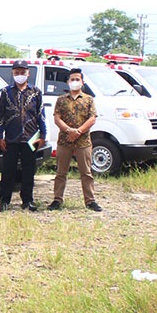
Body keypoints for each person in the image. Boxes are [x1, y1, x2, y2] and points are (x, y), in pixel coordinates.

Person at [0, 60, 47, 212]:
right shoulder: (6, 92)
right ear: (13, 73)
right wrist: (0, 136)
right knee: (8, 171)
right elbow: (1, 116)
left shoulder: (36, 92)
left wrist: (43, 135)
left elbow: (41, 115)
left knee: (28, 171)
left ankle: (28, 200)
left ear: (28, 73)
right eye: (17, 72)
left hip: (31, 138)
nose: (20, 75)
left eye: (22, 72)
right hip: (11, 138)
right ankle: (4, 201)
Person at [49, 68, 102, 212]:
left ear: (82, 82)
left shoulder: (89, 99)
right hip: (64, 141)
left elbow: (92, 119)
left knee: (86, 173)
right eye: (72, 79)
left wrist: (78, 131)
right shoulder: (61, 100)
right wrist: (68, 130)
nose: (75, 82)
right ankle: (57, 200)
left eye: (77, 79)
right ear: (68, 82)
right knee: (61, 172)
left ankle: (90, 201)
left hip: (83, 141)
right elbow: (57, 118)